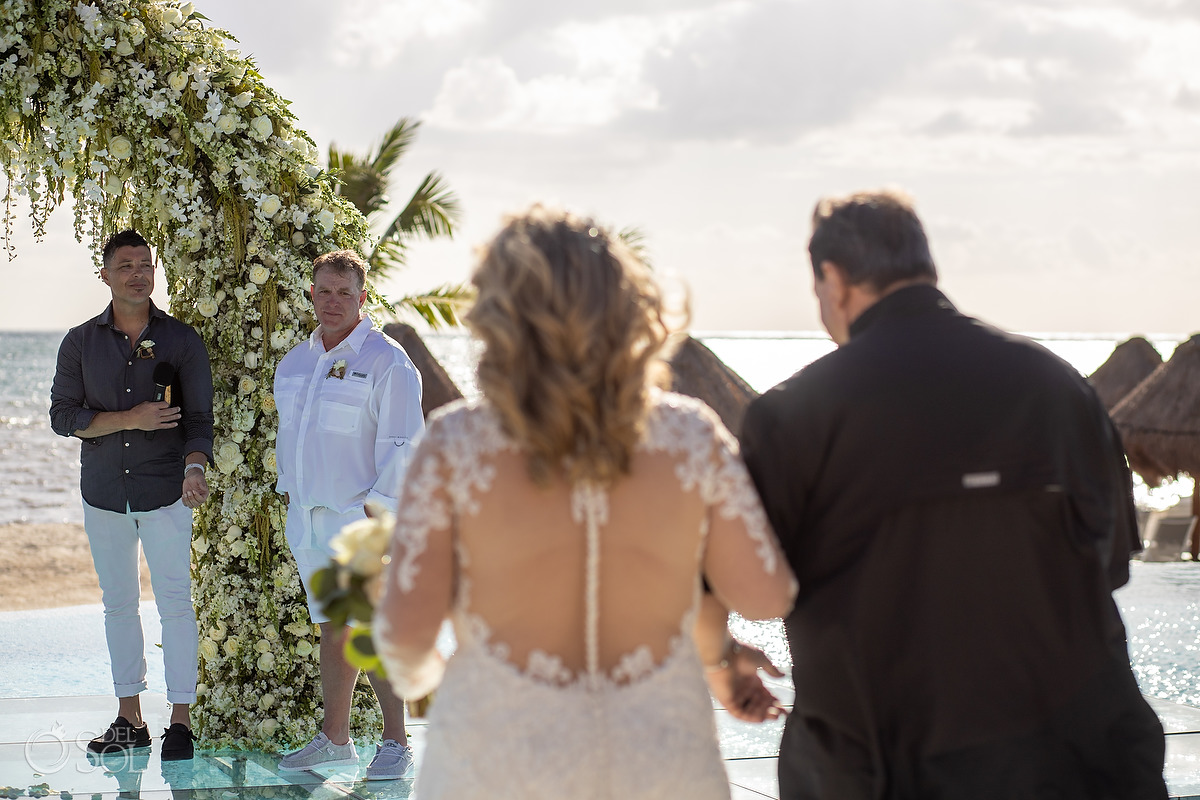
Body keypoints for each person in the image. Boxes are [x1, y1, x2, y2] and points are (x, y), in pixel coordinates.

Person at [737, 189, 1168, 799]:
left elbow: (754, 590)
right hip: (1077, 762)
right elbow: (1110, 565)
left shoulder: (790, 416)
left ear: (832, 280)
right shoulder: (1059, 388)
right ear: (925, 267)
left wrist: (720, 657)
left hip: (883, 770)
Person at [371, 205, 798, 800]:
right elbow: (765, 594)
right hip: (660, 761)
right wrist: (715, 651)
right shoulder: (690, 437)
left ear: (500, 316)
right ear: (627, 310)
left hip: (498, 761)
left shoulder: (453, 444)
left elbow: (405, 640)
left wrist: (412, 643)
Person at [50, 230, 214, 761]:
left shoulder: (183, 340)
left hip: (166, 491)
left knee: (175, 604)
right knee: (118, 606)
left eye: (145, 265)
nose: (138, 274)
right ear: (106, 275)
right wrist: (130, 419)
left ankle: (181, 723)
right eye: (125, 265)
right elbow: (63, 417)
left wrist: (194, 468)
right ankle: (130, 718)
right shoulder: (79, 341)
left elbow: (199, 422)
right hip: (102, 495)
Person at [273, 249, 424, 780]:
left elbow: (405, 446)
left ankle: (396, 743)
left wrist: (380, 520)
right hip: (308, 520)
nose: (333, 301)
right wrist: (291, 499)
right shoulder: (293, 363)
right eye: (324, 291)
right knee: (334, 626)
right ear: (310, 295)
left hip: (360, 519)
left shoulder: (388, 361)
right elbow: (288, 441)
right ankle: (335, 739)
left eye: (344, 292)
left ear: (363, 297)